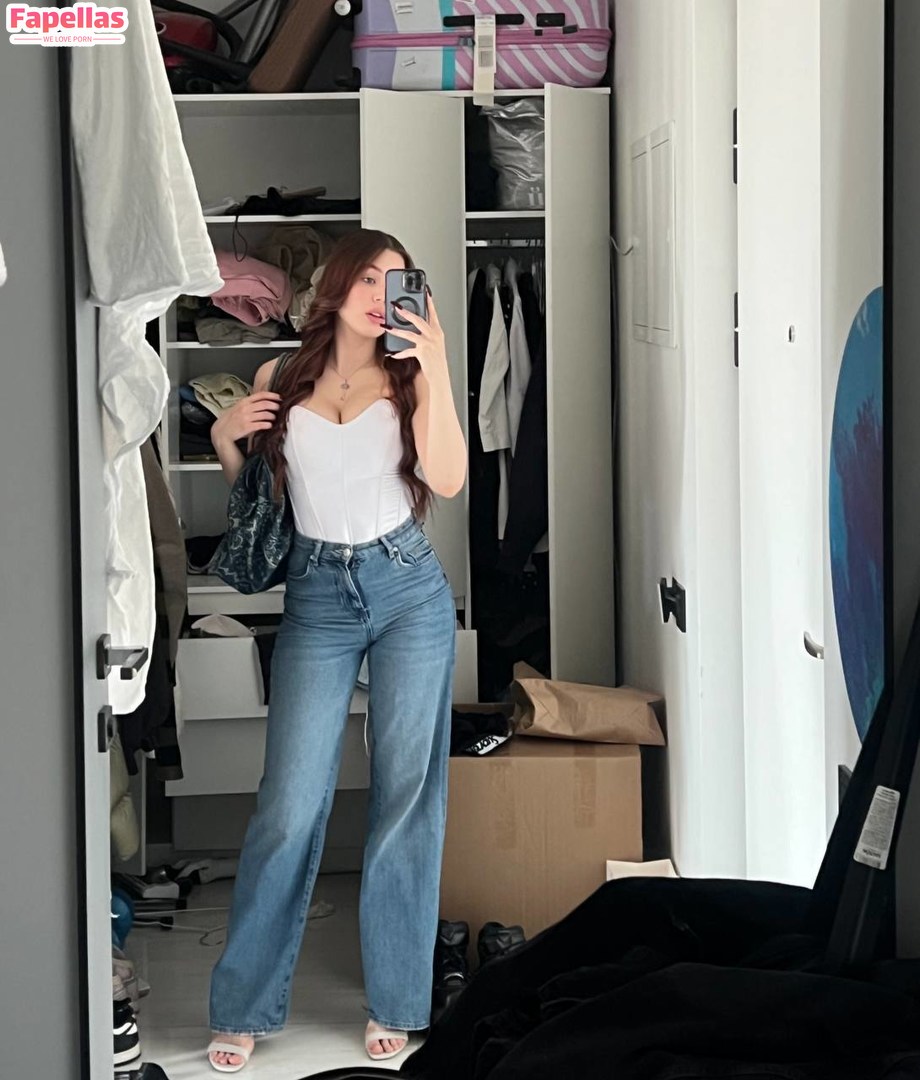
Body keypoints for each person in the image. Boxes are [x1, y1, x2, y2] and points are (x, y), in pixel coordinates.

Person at [205, 229, 467, 1073]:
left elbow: (448, 479)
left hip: (407, 589)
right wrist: (225, 440)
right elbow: (262, 505)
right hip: (317, 596)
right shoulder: (279, 376)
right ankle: (244, 1005)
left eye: (397, 282)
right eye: (368, 279)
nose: (381, 295)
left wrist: (437, 365)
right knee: (288, 803)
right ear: (336, 284)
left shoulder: (411, 373)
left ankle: (398, 999)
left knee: (405, 798)